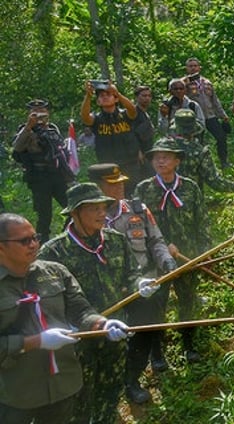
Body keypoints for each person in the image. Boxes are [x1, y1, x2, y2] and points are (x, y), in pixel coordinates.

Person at [38, 183, 151, 423]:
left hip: (115, 330)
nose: (103, 214)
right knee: (80, 396)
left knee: (111, 390)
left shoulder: (116, 240)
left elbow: (131, 274)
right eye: (94, 209)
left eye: (104, 208)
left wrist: (140, 283)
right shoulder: (53, 252)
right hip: (78, 340)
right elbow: (43, 298)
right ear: (74, 213)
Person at [0, 213, 128, 424]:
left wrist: (102, 324)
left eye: (35, 237)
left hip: (64, 383)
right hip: (16, 392)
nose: (33, 245)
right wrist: (36, 342)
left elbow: (80, 310)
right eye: (24, 241)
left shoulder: (55, 272)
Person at [88, 163, 177, 403]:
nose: (120, 188)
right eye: (112, 184)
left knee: (145, 330)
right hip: (110, 293)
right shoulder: (89, 220)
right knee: (113, 341)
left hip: (143, 284)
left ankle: (132, 380)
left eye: (121, 182)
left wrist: (166, 261)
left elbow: (156, 240)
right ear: (97, 188)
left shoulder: (138, 209)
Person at [134, 138, 210, 362]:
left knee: (188, 300)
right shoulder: (143, 189)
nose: (160, 160)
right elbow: (137, 226)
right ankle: (157, 352)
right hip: (156, 260)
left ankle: (188, 344)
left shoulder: (190, 187)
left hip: (188, 256)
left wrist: (204, 252)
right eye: (156, 157)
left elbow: (202, 221)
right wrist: (160, 248)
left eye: (166, 156)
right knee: (158, 303)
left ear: (177, 161)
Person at [12, 99, 74, 242]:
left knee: (73, 208)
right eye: (35, 113)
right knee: (44, 216)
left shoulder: (52, 128)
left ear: (48, 113)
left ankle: (65, 237)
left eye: (42, 112)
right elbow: (17, 147)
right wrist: (29, 126)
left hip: (57, 175)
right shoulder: (25, 130)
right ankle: (43, 245)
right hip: (39, 177)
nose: (39, 116)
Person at [169, 108, 234, 196]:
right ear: (194, 130)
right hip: (190, 202)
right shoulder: (199, 152)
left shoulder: (162, 147)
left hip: (161, 201)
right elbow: (216, 183)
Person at [80, 79, 142, 196]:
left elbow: (133, 110)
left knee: (133, 194)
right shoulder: (97, 118)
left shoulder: (124, 114)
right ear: (98, 101)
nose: (105, 97)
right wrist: (88, 95)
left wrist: (117, 92)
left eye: (108, 95)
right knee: (112, 195)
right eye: (101, 96)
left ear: (116, 99)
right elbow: (84, 117)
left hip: (130, 163)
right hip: (108, 165)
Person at [183, 57, 232, 168]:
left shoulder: (207, 82)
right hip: (195, 118)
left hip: (210, 116)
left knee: (221, 137)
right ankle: (198, 165)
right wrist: (185, 82)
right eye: (190, 66)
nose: (193, 68)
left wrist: (223, 115)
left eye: (195, 66)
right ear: (186, 68)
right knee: (197, 142)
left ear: (199, 67)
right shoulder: (184, 83)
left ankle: (224, 162)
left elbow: (215, 100)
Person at [132, 85, 156, 177]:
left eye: (149, 96)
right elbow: (131, 133)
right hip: (139, 154)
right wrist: (138, 151)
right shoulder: (134, 113)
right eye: (144, 96)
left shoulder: (145, 113)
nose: (147, 98)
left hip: (148, 151)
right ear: (137, 97)